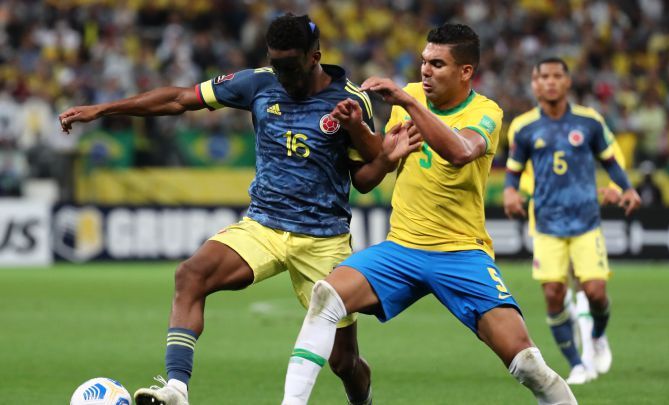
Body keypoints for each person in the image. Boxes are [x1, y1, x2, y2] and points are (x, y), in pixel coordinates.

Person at [59, 14, 421, 405]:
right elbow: (180, 99)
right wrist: (103, 109)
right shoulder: (258, 82)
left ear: (315, 56)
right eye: (275, 63)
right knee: (191, 275)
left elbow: (364, 180)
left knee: (343, 362)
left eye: (290, 66)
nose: (281, 74)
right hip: (262, 226)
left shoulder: (351, 100)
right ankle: (177, 387)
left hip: (323, 238)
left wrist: (376, 151)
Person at [281, 24, 577, 405]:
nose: (425, 70)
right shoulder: (412, 98)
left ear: (465, 71)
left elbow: (460, 152)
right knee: (326, 297)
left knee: (528, 364)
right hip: (401, 249)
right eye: (424, 61)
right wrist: (365, 134)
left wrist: (407, 102)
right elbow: (379, 163)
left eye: (437, 64)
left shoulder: (486, 111)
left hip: (461, 254)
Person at [504, 57, 642, 385]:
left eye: (556, 76)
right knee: (553, 293)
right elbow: (513, 170)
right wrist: (510, 192)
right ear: (534, 84)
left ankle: (597, 335)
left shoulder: (589, 122)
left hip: (585, 222)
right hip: (548, 223)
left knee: (595, 292)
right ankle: (576, 363)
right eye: (543, 77)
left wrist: (626, 188)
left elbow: (610, 160)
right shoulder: (523, 127)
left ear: (567, 82)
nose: (550, 82)